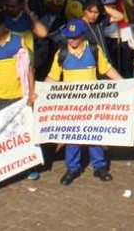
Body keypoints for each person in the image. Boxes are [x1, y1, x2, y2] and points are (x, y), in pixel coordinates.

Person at [47, 19, 121, 186]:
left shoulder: (94, 50)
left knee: (94, 134)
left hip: (91, 104)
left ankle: (99, 166)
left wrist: (123, 83)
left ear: (83, 36)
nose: (71, 40)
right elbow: (52, 77)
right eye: (68, 37)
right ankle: (72, 168)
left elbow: (107, 69)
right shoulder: (61, 53)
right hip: (70, 105)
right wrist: (40, 93)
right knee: (71, 137)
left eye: (74, 37)